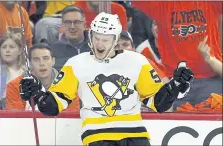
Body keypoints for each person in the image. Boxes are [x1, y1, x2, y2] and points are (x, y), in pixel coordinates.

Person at [19, 12, 193, 146]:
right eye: (96, 38)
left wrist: (176, 85)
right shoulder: (76, 64)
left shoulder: (136, 60)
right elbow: (54, 106)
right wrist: (39, 93)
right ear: (91, 36)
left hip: (135, 135)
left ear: (115, 39)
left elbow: (158, 103)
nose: (99, 45)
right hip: (97, 136)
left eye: (105, 40)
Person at [132, 1, 222, 110]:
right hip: (176, 81)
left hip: (211, 78)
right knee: (176, 124)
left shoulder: (211, 2)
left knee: (213, 124)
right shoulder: (161, 5)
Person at [50, 5, 90, 71]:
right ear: (62, 26)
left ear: (84, 25)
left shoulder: (96, 45)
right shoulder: (53, 50)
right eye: (68, 22)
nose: (72, 27)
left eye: (76, 22)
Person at [0, 33, 26, 109]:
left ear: (20, 50)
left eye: (11, 47)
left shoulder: (27, 72)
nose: (7, 50)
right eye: (4, 47)